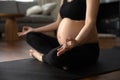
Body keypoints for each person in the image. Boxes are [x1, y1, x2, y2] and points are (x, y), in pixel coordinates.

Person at [18, 0, 100, 70]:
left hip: (84, 46)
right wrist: (34, 29)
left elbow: (90, 23)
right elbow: (58, 23)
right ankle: (58, 59)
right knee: (30, 35)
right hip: (63, 46)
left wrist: (77, 41)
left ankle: (42, 57)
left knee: (55, 56)